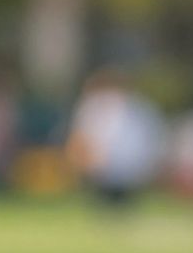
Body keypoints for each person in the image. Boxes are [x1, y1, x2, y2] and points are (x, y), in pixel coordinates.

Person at [67, 67, 166, 209]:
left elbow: (149, 140)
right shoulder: (92, 108)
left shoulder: (139, 110)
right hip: (101, 168)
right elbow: (82, 139)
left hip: (130, 168)